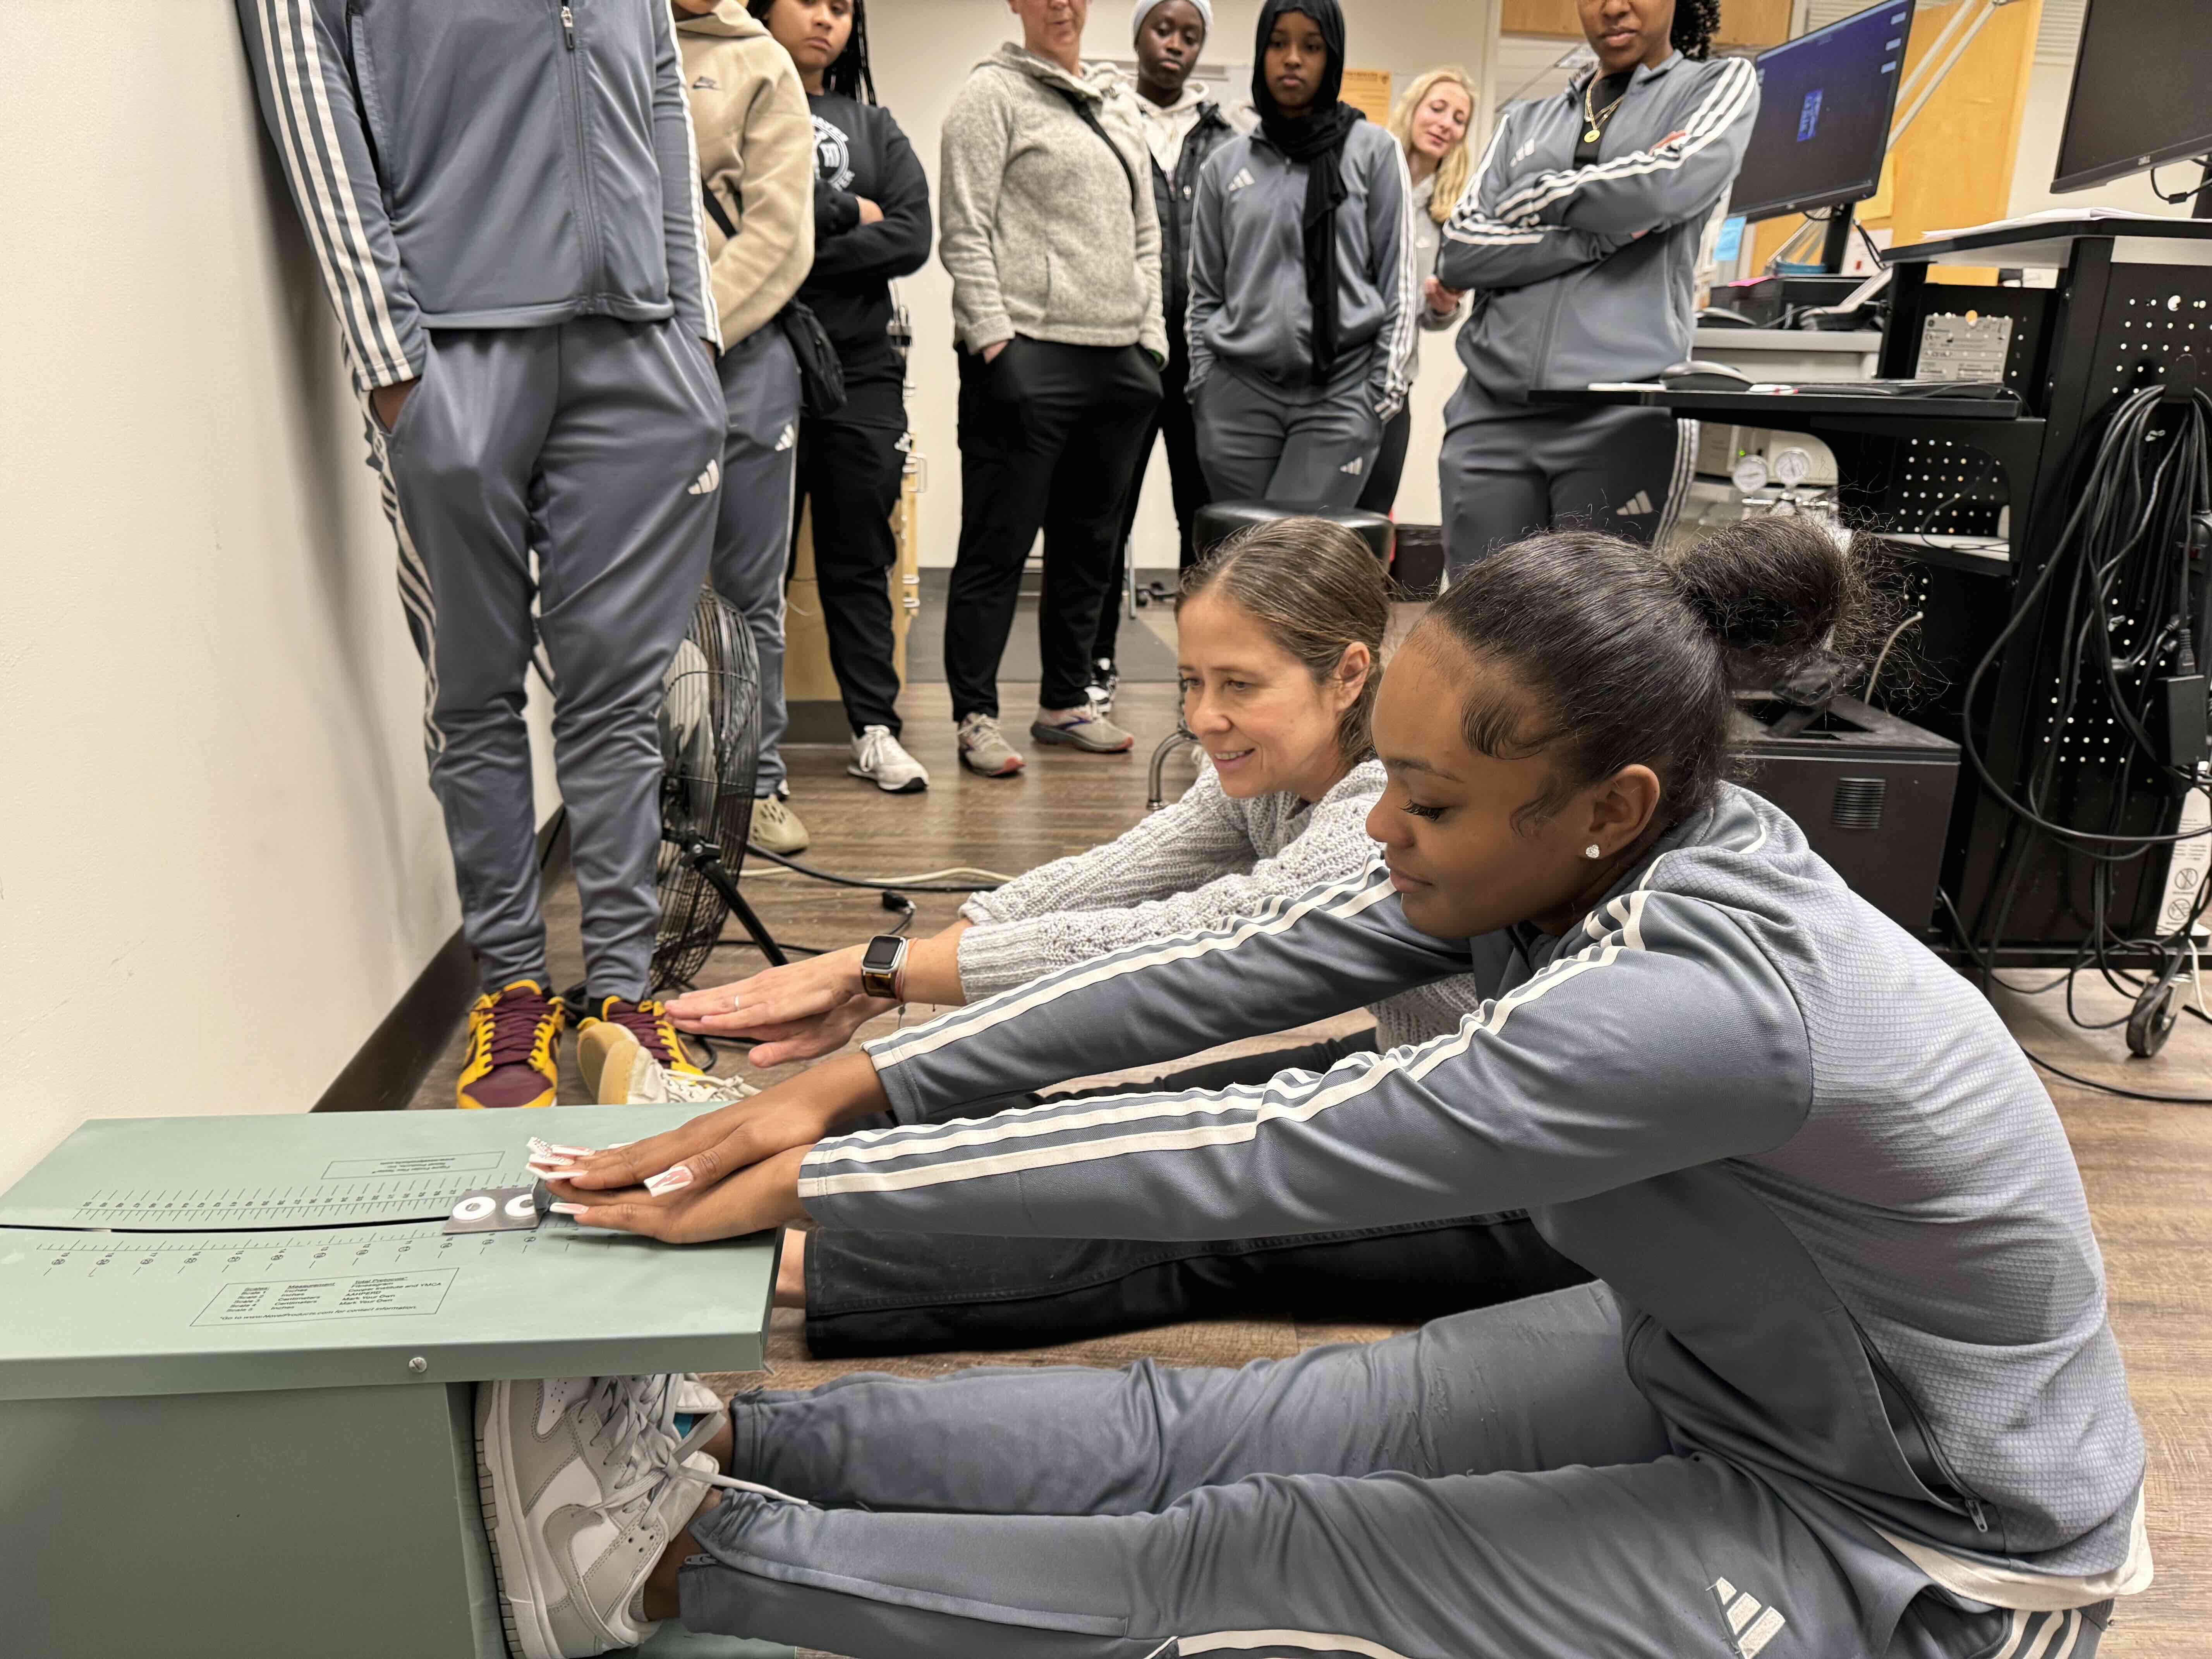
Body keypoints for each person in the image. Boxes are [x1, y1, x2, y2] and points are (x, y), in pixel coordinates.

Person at [494, 512, 2150, 1659]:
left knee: (1261, 1551)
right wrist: (848, 1087)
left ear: (1605, 801)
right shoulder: (1557, 840)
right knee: (1208, 1424)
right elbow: (1199, 973)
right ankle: (720, 1436)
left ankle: (669, 1559)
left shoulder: (1704, 997)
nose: (1375, 831)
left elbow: (1265, 1147)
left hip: (1926, 1538)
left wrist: (833, 1175)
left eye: (1419, 802)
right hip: (1719, 1360)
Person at [593, 519, 1587, 1353]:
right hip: (1423, 1070)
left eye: (1239, 685)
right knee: (1118, 1121)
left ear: (1347, 677)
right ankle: (769, 1157)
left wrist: (889, 975)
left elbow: (1209, 944)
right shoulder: (1268, 774)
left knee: (1166, 1219)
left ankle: (772, 1252)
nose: (1204, 716)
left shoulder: (1376, 805)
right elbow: (1110, 879)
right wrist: (888, 970)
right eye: (1193, 681)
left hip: (1527, 1182)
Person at [234, 0, 728, 1108]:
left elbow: (659, 93)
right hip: (451, 351)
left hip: (637, 349)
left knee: (616, 698)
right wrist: (391, 362)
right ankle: (511, 990)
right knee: (475, 689)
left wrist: (694, 342)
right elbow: (314, 110)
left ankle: (621, 997)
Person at [1436, 0, 1753, 571]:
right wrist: (1595, 239)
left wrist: (1535, 196)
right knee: (1475, 640)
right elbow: (1460, 250)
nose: (1614, 7)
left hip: (1619, 419)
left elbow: (1666, 183)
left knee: (1598, 648)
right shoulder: (1524, 122)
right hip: (1491, 415)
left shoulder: (1717, 84)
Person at [937, 0, 1168, 778]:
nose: (1063, 4)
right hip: (1027, 357)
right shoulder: (990, 95)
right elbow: (964, 228)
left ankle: (1066, 703)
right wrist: (997, 342)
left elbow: (1147, 233)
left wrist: (1152, 345)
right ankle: (974, 715)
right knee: (996, 548)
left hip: (1118, 361)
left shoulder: (1113, 105)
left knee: (1091, 549)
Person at [752, 0, 937, 797]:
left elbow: (912, 235)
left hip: (862, 371)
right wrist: (840, 215)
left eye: (841, 8)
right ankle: (753, 756)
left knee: (861, 557)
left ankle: (875, 730)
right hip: (758, 358)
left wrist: (792, 246)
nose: (826, 19)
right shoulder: (739, 101)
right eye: (808, 0)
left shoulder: (874, 125)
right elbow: (732, 224)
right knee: (751, 564)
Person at [675, 0, 817, 855]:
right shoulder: (618, 37)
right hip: (636, 360)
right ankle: (677, 793)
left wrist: (702, 328)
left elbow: (780, 230)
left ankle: (758, 786)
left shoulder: (762, 63)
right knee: (654, 596)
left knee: (747, 592)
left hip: (744, 355)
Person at [1185, 0, 1417, 508]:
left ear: (1331, 58)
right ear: (1260, 53)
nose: (1293, 59)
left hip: (1342, 392)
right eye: (1278, 44)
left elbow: (1399, 285)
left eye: (1311, 46)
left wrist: (1379, 396)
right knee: (1243, 562)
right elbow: (1205, 292)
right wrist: (1204, 386)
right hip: (1237, 399)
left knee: (1296, 561)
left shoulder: (1375, 152)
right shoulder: (1223, 168)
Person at [1085, 0, 1236, 715]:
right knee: (1104, 515)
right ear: (1138, 35)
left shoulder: (1226, 138)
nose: (1174, 45)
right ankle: (1094, 665)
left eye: (1190, 35)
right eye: (1162, 29)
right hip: (1124, 349)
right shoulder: (1104, 117)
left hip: (1203, 362)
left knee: (1201, 520)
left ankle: (1195, 674)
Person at [1357, 65, 1477, 517]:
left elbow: (1433, 317)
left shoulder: (1451, 213)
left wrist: (1446, 307)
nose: (1446, 123)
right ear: (1413, 111)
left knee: (1372, 517)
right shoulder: (1366, 183)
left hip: (1395, 385)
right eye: (1438, 108)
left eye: (1459, 118)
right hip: (1341, 380)